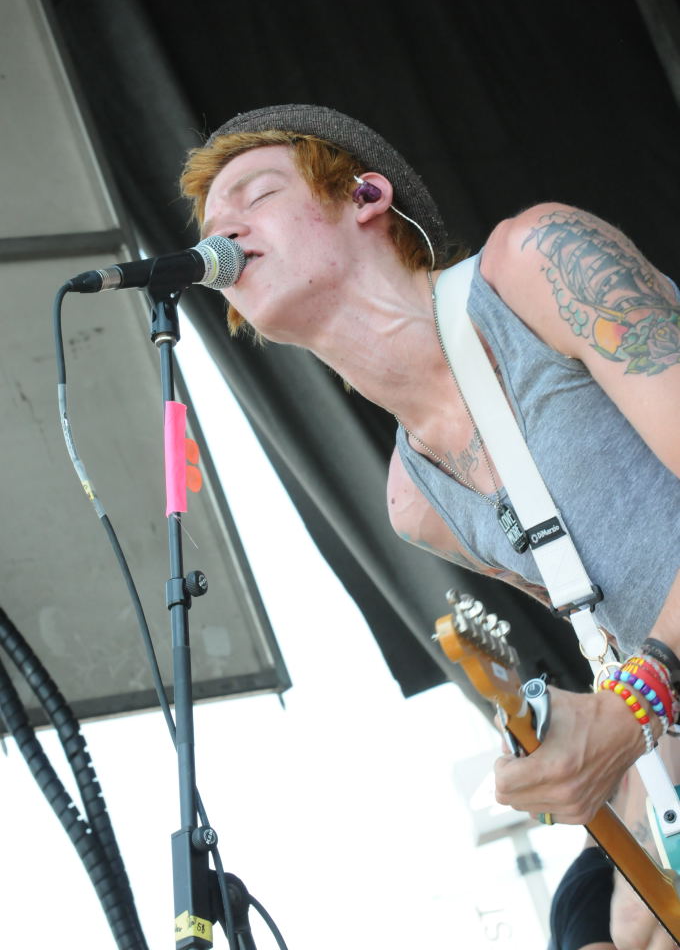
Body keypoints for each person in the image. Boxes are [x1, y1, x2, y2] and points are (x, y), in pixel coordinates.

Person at [179, 103, 680, 937]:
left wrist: (637, 703)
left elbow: (648, 677)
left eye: (256, 195)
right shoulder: (416, 504)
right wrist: (616, 798)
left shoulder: (535, 265)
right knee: (604, 920)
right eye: (208, 226)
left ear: (366, 196)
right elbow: (631, 639)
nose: (221, 231)